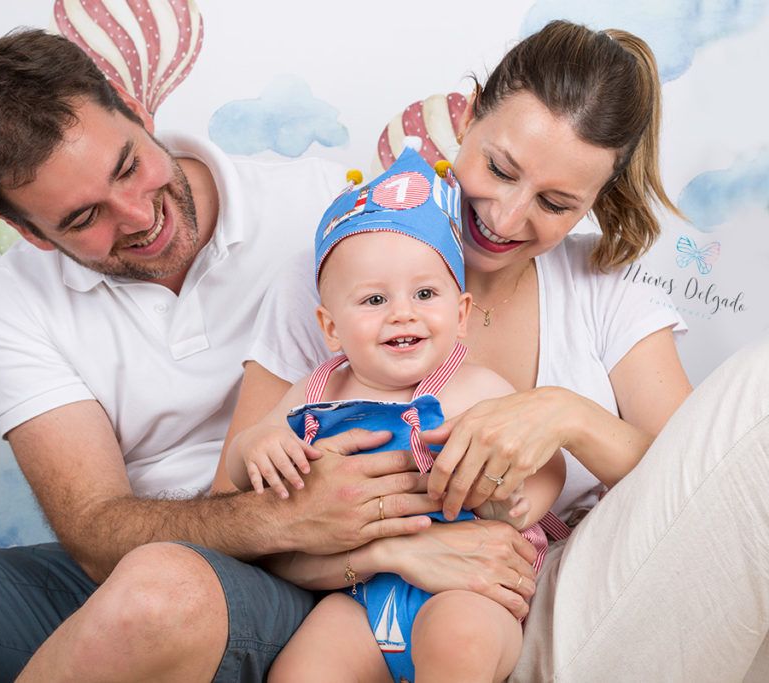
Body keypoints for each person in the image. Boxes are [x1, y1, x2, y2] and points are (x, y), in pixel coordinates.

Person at [0, 30, 450, 682]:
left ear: (133, 106)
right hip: (136, 573)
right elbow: (93, 530)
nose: (138, 215)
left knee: (162, 586)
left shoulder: (319, 207)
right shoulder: (19, 298)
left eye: (129, 165)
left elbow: (451, 371)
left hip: (295, 581)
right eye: (83, 218)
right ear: (28, 234)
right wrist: (274, 515)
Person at [224, 19, 769, 681]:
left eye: (557, 202)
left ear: (596, 199)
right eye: (500, 168)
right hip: (355, 591)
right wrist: (392, 550)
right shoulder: (345, 270)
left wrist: (567, 417)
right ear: (472, 112)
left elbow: (701, 483)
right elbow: (235, 503)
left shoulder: (603, 291)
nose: (507, 218)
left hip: (533, 604)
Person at [221, 148, 565, 682]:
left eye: (425, 293)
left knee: (459, 644)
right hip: (357, 593)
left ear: (462, 314)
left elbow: (547, 462)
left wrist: (520, 505)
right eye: (373, 299)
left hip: (465, 583)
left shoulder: (475, 388)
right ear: (330, 327)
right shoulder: (316, 393)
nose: (402, 311)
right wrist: (256, 447)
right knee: (301, 672)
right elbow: (248, 459)